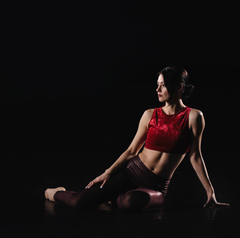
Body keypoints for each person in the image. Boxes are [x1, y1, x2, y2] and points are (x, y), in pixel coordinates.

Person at [45, 66, 229, 211]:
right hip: (130, 172)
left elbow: (195, 156)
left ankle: (110, 199)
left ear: (179, 87)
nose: (157, 89)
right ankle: (55, 193)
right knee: (79, 202)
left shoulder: (194, 117)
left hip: (156, 185)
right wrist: (108, 172)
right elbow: (132, 150)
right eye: (157, 84)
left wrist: (210, 191)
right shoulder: (150, 114)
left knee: (130, 202)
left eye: (162, 85)